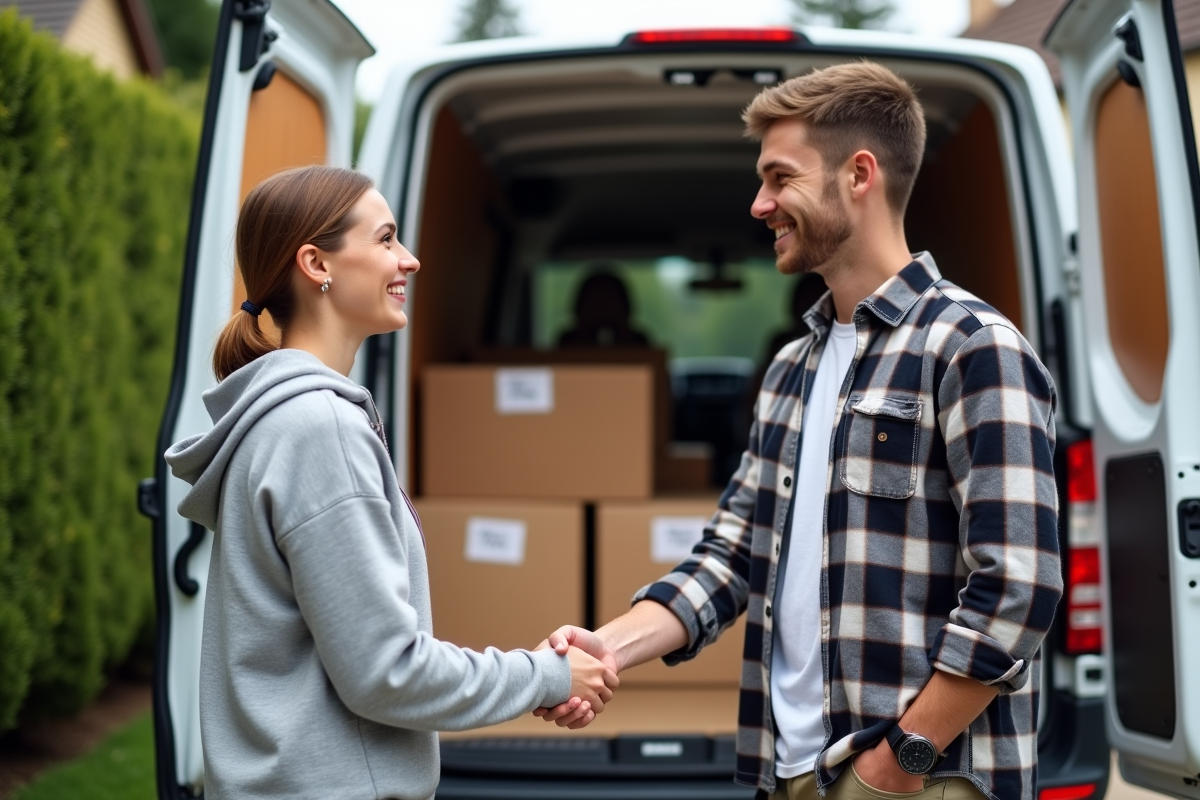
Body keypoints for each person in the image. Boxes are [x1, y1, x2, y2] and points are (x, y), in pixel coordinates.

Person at [538, 62, 1062, 800]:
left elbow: (1018, 587)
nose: (759, 205)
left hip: (924, 777)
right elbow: (729, 560)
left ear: (859, 175)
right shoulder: (791, 368)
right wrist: (605, 648)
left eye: (779, 178)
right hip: (786, 768)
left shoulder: (972, 347)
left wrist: (898, 762)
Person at [165, 166, 617, 800]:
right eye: (385, 239)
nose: (410, 260)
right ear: (316, 263)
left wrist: (544, 671)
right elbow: (386, 673)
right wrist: (544, 676)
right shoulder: (320, 429)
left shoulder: (284, 420)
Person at [556, 267, 651, 347]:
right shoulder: (568, 344)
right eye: (595, 305)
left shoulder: (638, 344)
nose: (603, 311)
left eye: (609, 304)